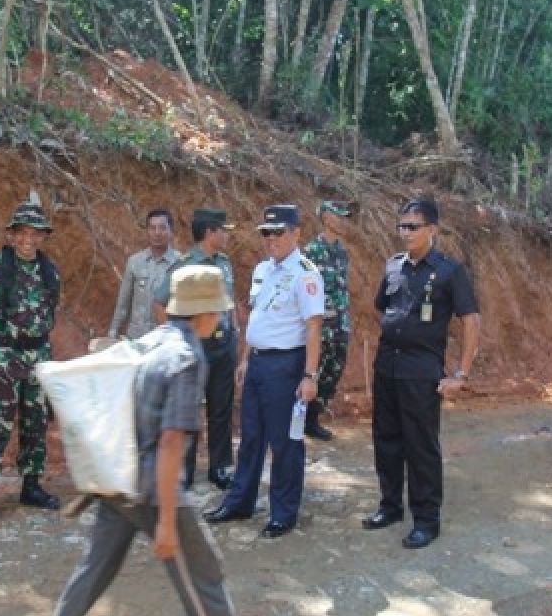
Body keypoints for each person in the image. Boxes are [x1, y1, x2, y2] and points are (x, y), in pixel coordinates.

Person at [25, 265, 257, 616]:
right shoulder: (187, 360)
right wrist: (167, 520)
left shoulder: (149, 342)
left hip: (120, 479)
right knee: (199, 568)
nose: (221, 319)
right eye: (218, 311)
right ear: (205, 314)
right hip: (153, 487)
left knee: (95, 568)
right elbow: (171, 443)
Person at [361, 198, 480, 550]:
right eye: (402, 226)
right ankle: (391, 506)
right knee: (386, 441)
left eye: (413, 226)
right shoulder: (393, 266)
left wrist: (461, 372)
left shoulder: (449, 271)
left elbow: (471, 320)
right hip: (387, 367)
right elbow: (382, 308)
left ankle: (427, 520)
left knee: (421, 447)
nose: (405, 232)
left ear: (433, 230)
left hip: (421, 373)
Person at [203, 205, 324, 538]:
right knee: (251, 438)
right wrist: (245, 358)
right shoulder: (262, 270)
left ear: (296, 233)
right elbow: (257, 319)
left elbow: (314, 327)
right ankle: (240, 501)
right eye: (266, 233)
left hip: (286, 366)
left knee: (285, 441)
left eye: (278, 232)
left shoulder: (306, 273)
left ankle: (283, 512)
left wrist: (310, 376)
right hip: (257, 363)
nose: (271, 239)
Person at [0, 201, 62, 523]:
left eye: (36, 234)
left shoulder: (50, 271)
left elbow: (50, 313)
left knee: (36, 421)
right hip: (3, 355)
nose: (28, 240)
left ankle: (31, 486)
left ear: (43, 237)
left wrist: (43, 354)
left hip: (38, 356)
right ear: (12, 235)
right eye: (22, 233)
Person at [154, 208, 240, 491]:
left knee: (221, 410)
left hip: (223, 345)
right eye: (223, 230)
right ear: (209, 232)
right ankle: (185, 472)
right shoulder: (183, 265)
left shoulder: (225, 263)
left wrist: (235, 335)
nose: (227, 235)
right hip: (195, 346)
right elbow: (160, 302)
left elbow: (231, 303)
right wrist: (173, 340)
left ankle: (219, 468)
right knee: (187, 411)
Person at [301, 200, 354, 440]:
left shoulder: (342, 252)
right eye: (338, 215)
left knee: (335, 368)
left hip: (340, 323)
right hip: (320, 324)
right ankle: (303, 419)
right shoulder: (312, 251)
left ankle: (314, 415)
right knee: (315, 370)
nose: (343, 220)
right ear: (326, 218)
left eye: (344, 217)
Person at [107, 208, 180, 340]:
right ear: (147, 231)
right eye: (152, 228)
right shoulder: (135, 262)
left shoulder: (180, 263)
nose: (157, 233)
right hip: (137, 339)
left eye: (162, 228)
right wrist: (113, 333)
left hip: (165, 340)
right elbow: (123, 303)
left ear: (171, 231)